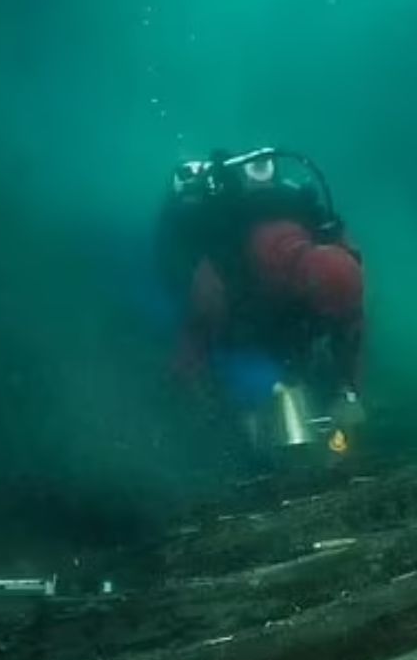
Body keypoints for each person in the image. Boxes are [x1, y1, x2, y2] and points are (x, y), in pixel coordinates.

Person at [153, 148, 366, 450]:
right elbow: (193, 348)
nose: (332, 322)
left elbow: (351, 326)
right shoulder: (224, 273)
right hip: (240, 319)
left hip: (273, 311)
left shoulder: (333, 252)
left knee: (292, 364)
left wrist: (350, 392)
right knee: (250, 374)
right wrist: (209, 416)